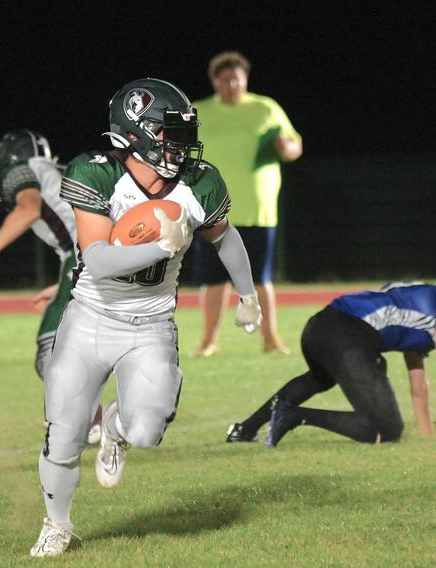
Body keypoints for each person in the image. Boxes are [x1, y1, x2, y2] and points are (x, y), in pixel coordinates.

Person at [29, 78, 262, 557]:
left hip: (152, 325)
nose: (177, 145)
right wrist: (163, 244)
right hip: (91, 318)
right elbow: (96, 259)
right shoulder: (95, 172)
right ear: (134, 133)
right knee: (65, 433)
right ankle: (57, 525)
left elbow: (224, 237)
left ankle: (115, 428)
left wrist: (247, 294)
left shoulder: (200, 181)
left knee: (146, 432)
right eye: (166, 133)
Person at [225, 262, 436, 447]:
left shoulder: (427, 300)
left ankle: (246, 429)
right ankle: (293, 416)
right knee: (387, 429)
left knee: (319, 379)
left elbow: (419, 383)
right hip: (347, 335)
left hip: (320, 327)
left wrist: (426, 433)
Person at [0, 131, 105, 443]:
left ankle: (92, 420)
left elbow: (29, 208)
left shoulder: (23, 170)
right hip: (103, 251)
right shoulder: (54, 172)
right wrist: (62, 285)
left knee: (51, 348)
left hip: (88, 254)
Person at [191, 50, 303, 356]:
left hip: (258, 209)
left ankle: (270, 339)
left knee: (260, 278)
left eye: (236, 79)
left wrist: (287, 147)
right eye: (225, 80)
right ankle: (208, 341)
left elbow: (295, 146)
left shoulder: (266, 108)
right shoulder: (198, 112)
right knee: (214, 280)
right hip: (213, 209)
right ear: (215, 81)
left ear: (245, 80)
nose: (232, 85)